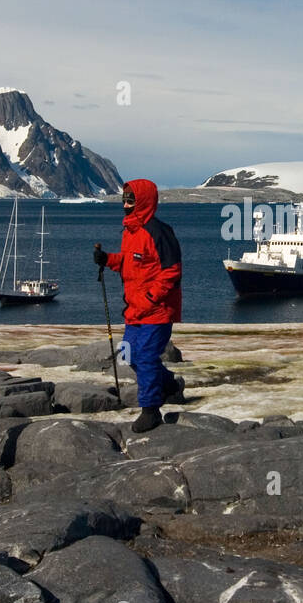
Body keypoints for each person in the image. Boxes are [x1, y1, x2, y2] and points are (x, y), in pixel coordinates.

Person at [94, 179, 183, 433]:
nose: (125, 205)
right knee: (128, 354)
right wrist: (107, 259)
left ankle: (151, 409)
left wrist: (151, 299)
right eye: (124, 200)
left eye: (131, 200)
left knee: (144, 356)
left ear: (143, 201)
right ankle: (167, 384)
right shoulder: (130, 232)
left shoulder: (159, 232)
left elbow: (171, 272)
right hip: (135, 310)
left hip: (157, 310)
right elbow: (129, 263)